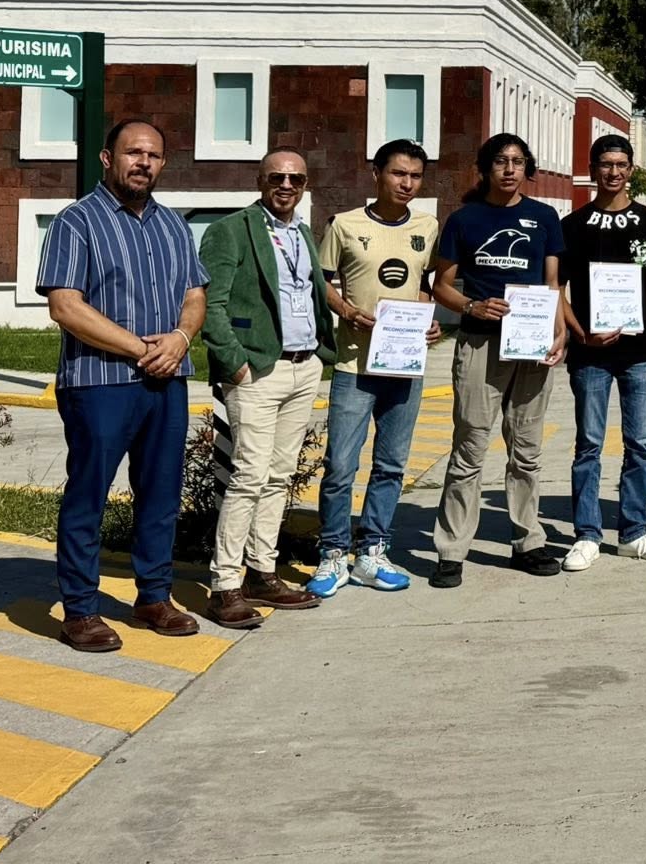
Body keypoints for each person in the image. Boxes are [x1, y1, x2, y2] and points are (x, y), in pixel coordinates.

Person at [37, 119, 207, 652]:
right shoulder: (76, 221)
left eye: (154, 155)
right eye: (133, 152)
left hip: (167, 381)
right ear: (107, 159)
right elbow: (65, 306)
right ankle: (81, 610)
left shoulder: (174, 224)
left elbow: (195, 295)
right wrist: (142, 350)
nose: (144, 163)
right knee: (89, 492)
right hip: (100, 382)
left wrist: (180, 338)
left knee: (160, 492)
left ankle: (154, 595)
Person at [198, 149, 340, 627]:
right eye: (277, 177)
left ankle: (262, 570)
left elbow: (310, 293)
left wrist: (324, 347)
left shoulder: (302, 232)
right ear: (260, 180)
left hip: (303, 368)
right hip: (258, 371)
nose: (286, 185)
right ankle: (224, 585)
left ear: (305, 184)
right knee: (248, 476)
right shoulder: (230, 230)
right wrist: (235, 364)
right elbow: (209, 304)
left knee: (280, 476)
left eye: (295, 178)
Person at [430, 133, 567, 586]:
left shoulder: (544, 216)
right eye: (500, 162)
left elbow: (552, 285)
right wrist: (471, 306)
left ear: (527, 168)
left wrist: (560, 329)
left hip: (530, 346)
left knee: (526, 452)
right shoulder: (464, 219)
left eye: (517, 162)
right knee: (470, 448)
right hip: (480, 344)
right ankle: (451, 549)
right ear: (485, 168)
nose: (509, 169)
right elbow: (441, 285)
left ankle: (528, 540)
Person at [310, 139, 444, 597]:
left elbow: (428, 284)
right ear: (377, 174)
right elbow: (323, 283)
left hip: (405, 365)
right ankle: (331, 554)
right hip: (354, 364)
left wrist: (428, 322)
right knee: (341, 465)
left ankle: (373, 552)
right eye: (398, 174)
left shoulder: (428, 226)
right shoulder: (345, 225)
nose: (407, 183)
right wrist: (347, 312)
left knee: (390, 466)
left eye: (415, 176)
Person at [558, 133, 646, 570]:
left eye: (620, 165)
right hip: (590, 355)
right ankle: (587, 535)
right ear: (593, 170)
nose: (613, 172)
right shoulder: (573, 226)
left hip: (642, 351)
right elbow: (557, 290)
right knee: (589, 444)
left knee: (641, 445)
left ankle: (633, 532)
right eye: (605, 164)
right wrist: (579, 335)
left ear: (631, 170)